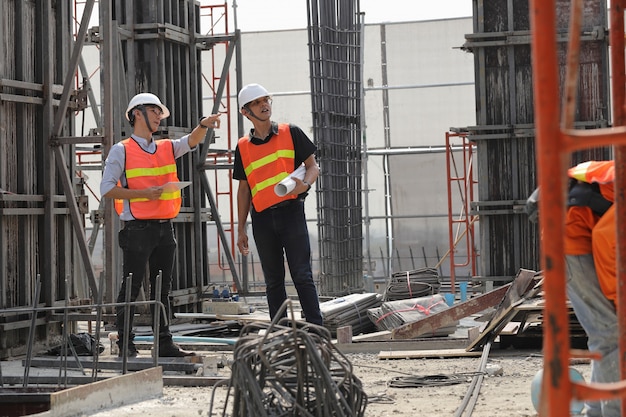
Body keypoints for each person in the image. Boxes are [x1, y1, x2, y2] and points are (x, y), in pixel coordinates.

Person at [100, 92, 221, 357]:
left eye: (159, 112)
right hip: (137, 229)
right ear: (137, 114)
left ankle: (164, 343)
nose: (158, 116)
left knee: (162, 288)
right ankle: (125, 343)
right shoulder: (122, 150)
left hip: (165, 228)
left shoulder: (166, 147)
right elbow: (107, 189)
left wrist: (203, 125)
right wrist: (144, 194)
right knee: (131, 288)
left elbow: (190, 142)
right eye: (154, 111)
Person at [528, 160, 619, 416]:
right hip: (572, 244)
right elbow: (606, 241)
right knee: (610, 334)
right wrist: (616, 299)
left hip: (575, 234)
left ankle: (596, 410)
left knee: (608, 335)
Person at [233, 83, 323, 325]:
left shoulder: (290, 132)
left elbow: (313, 166)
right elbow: (244, 189)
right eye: (257, 102)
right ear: (245, 111)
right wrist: (241, 228)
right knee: (273, 281)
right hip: (261, 219)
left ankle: (316, 330)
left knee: (302, 275)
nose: (264, 105)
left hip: (291, 213)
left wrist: (306, 184)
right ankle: (280, 333)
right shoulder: (242, 147)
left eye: (266, 100)